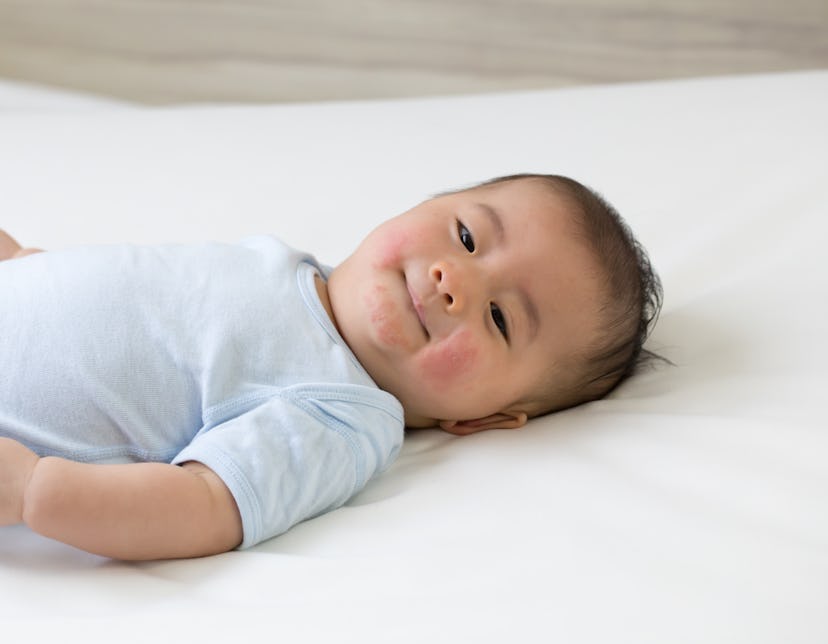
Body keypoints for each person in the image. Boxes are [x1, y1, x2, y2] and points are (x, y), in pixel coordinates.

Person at [0, 173, 662, 561]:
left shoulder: (346, 416)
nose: (454, 279)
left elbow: (205, 504)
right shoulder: (289, 267)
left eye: (500, 319)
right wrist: (31, 263)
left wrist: (35, 490)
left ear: (485, 416)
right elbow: (144, 307)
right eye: (465, 236)